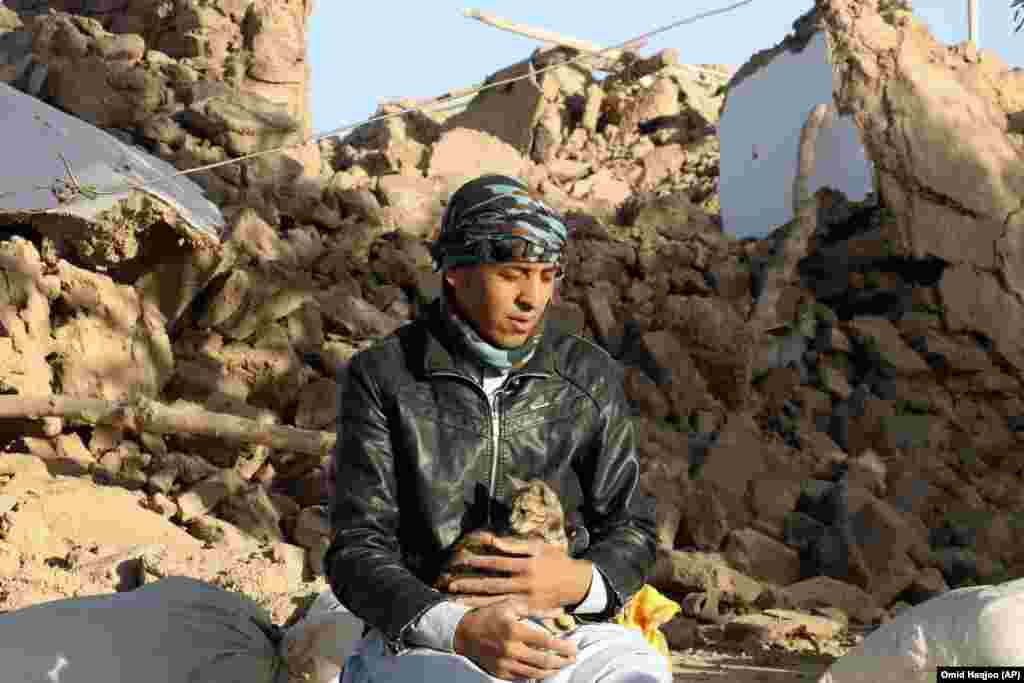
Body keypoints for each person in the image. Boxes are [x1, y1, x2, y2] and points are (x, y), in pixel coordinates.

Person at [325, 174, 668, 683]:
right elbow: (356, 547)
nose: (533, 297)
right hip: (429, 636)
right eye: (512, 273)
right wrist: (457, 627)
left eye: (547, 275)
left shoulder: (587, 378)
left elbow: (631, 527)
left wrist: (573, 579)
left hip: (563, 630)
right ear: (455, 272)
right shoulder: (385, 377)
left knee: (635, 672)